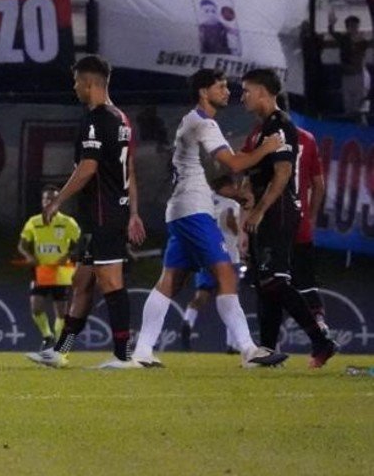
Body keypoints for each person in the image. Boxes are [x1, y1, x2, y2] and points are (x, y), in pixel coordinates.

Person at [127, 69, 287, 368]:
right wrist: (266, 148)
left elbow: (213, 176)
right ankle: (248, 351)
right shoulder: (203, 124)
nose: (228, 91)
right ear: (204, 92)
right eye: (221, 86)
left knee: (170, 281)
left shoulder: (193, 123)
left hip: (182, 210)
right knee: (225, 274)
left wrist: (236, 194)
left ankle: (142, 351)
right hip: (193, 211)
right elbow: (236, 162)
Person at [31, 55, 147, 368]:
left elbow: (87, 168)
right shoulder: (120, 118)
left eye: (76, 82)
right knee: (82, 282)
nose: (74, 88)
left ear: (89, 83)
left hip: (103, 214)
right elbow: (129, 168)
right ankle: (60, 351)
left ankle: (123, 356)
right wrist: (133, 211)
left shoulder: (97, 119)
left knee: (110, 281)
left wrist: (57, 201)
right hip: (109, 211)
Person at [238, 69, 337, 367]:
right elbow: (249, 175)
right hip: (268, 212)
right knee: (266, 285)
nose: (242, 96)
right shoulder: (259, 130)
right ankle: (268, 352)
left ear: (264, 93)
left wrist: (260, 210)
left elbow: (282, 176)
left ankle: (321, 341)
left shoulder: (281, 127)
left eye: (247, 90)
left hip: (278, 210)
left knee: (275, 281)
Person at [181, 175, 246, 350]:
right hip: (229, 257)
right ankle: (232, 345)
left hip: (206, 256)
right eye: (233, 186)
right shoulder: (232, 205)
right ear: (224, 187)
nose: (235, 190)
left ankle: (187, 321)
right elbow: (230, 222)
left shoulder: (203, 201)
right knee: (231, 300)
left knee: (201, 296)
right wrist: (240, 232)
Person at [17, 185, 80, 352]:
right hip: (42, 271)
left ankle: (58, 345)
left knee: (61, 312)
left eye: (53, 199)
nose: (49, 202)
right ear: (42, 202)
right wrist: (29, 256)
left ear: (59, 202)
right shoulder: (33, 222)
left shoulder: (68, 223)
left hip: (62, 271)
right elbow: (22, 245)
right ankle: (47, 336)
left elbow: (81, 243)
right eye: (46, 199)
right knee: (36, 307)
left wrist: (67, 256)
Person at [287, 116, 331, 336]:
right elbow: (319, 186)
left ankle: (268, 345)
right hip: (301, 221)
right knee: (305, 278)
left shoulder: (263, 136)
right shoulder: (307, 138)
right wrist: (311, 217)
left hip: (275, 224)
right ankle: (320, 326)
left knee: (271, 283)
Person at [327, 13, 371, 123]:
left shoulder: (362, 41)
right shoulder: (344, 39)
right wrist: (331, 24)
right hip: (346, 75)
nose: (353, 29)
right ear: (347, 27)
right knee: (348, 104)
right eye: (351, 26)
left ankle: (360, 125)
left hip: (358, 75)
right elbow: (332, 33)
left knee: (359, 104)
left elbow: (360, 52)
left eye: (355, 26)